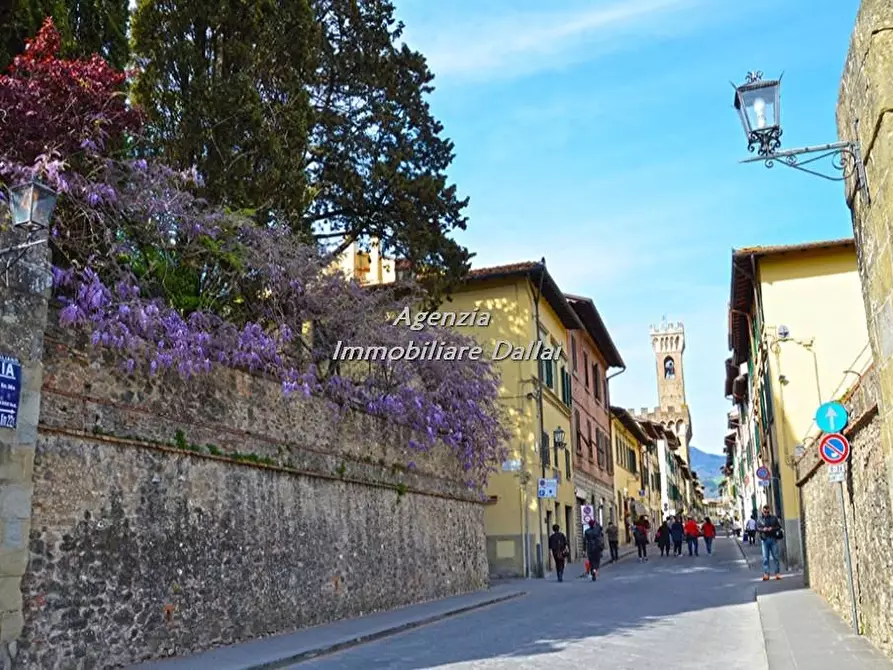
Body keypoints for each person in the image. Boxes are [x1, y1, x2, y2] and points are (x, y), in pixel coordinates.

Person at [757, 505, 783, 580]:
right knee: (765, 558)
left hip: (773, 539)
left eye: (768, 512)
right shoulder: (760, 519)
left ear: (769, 511)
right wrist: (763, 529)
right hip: (764, 540)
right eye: (765, 512)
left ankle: (777, 573)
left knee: (776, 557)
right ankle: (766, 574)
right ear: (762, 511)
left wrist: (772, 528)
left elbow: (779, 527)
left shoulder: (773, 518)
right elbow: (757, 528)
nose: (766, 513)